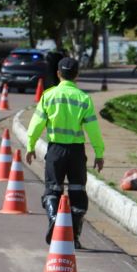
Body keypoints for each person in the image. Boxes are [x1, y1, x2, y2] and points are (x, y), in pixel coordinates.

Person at [26, 57, 105, 249]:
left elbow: (36, 124)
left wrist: (30, 146)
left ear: (58, 74)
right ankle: (74, 237)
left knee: (52, 189)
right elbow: (93, 129)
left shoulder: (48, 96)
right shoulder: (83, 98)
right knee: (78, 193)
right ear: (77, 75)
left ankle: (54, 218)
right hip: (76, 152)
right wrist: (99, 152)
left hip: (55, 151)